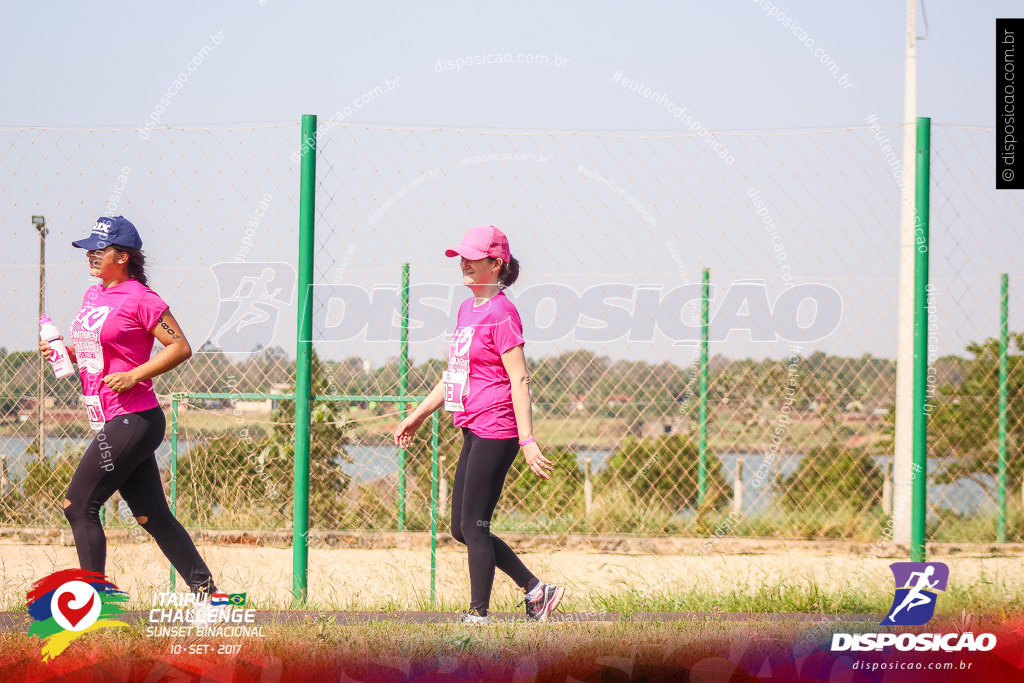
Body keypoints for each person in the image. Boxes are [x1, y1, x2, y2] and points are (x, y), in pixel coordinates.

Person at [40, 216, 218, 599]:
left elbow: (180, 347)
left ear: (122, 256)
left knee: (79, 504)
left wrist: (136, 374)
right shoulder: (95, 295)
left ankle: (96, 607)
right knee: (151, 516)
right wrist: (64, 352)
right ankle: (210, 598)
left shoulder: (142, 298)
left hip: (133, 417)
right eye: (89, 249)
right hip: (107, 417)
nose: (90, 255)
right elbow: (96, 351)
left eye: (98, 249)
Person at [394, 225, 564, 624]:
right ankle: (537, 590)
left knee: (474, 523)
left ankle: (478, 615)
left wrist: (527, 440)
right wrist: (417, 416)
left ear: (496, 263)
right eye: (462, 258)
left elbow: (520, 379)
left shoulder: (503, 313)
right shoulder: (466, 310)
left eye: (473, 258)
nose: (465, 264)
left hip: (499, 429)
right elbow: (453, 375)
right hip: (473, 426)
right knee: (461, 527)